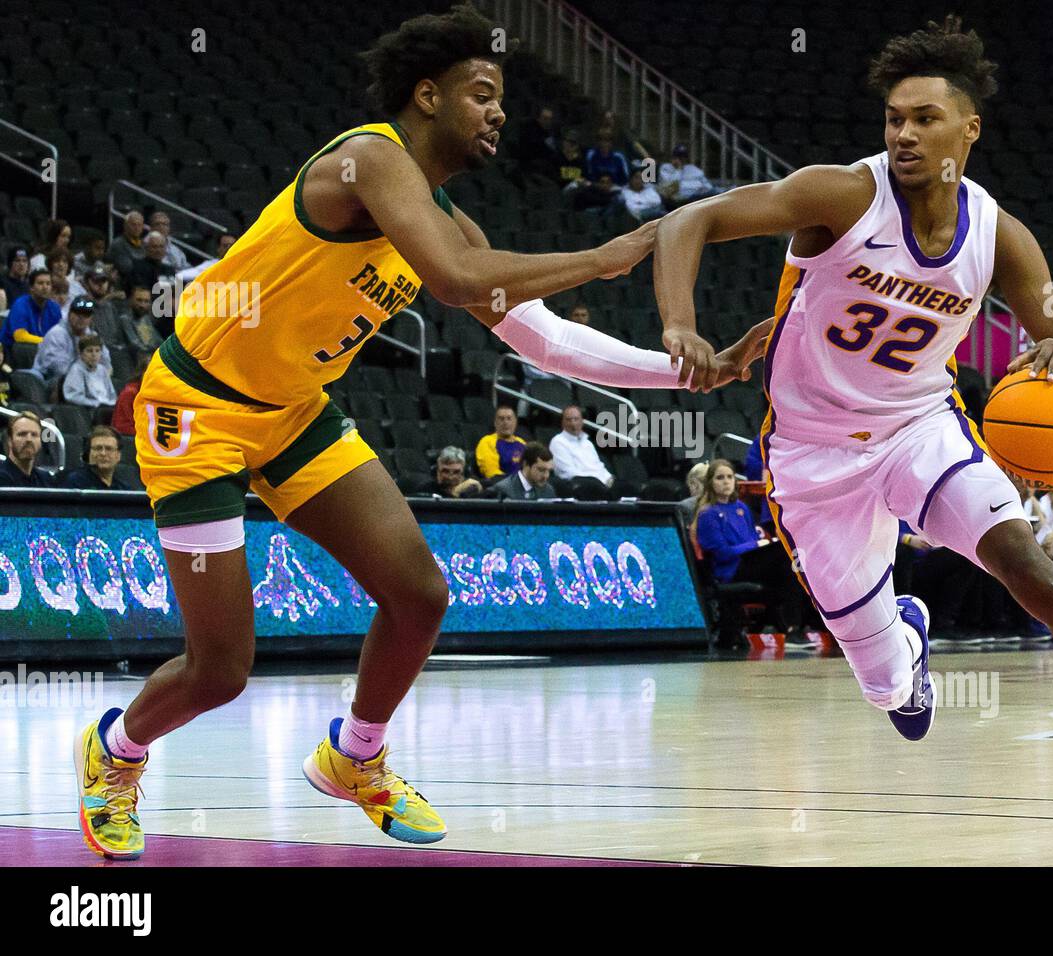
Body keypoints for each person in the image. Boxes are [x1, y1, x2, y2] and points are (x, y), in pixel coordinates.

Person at [72, 3, 756, 862]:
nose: (499, 110)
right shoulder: (368, 159)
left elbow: (539, 336)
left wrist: (689, 369)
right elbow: (460, 278)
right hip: (195, 413)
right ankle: (116, 752)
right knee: (221, 669)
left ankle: (354, 757)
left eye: (501, 95)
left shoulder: (437, 213)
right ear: (426, 95)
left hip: (292, 412)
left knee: (421, 594)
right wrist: (606, 257)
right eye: (482, 93)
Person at [649, 15, 1053, 860]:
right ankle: (900, 644)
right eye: (893, 119)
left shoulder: (998, 235)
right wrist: (681, 326)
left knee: (1037, 573)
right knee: (882, 689)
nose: (904, 133)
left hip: (920, 428)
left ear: (968, 129)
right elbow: (688, 222)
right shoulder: (840, 194)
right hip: (811, 457)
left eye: (924, 118)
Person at [692, 458, 818, 638]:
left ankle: (800, 625)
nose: (726, 482)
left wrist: (756, 544)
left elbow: (752, 537)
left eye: (730, 477)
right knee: (784, 557)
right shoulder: (708, 514)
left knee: (792, 565)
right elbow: (722, 554)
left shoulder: (742, 508)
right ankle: (793, 627)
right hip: (731, 569)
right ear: (710, 483)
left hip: (750, 561)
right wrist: (754, 545)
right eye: (720, 478)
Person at [548, 403, 635, 500]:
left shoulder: (587, 443)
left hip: (601, 483)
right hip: (581, 484)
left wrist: (609, 479)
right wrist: (600, 481)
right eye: (569, 420)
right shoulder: (558, 441)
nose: (573, 423)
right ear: (562, 423)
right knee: (594, 487)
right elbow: (568, 472)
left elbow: (599, 467)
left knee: (627, 487)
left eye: (576, 419)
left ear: (582, 421)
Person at [33, 296, 114, 385]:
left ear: (91, 319)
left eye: (86, 315)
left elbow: (106, 364)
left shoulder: (93, 336)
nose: (81, 318)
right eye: (77, 314)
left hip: (85, 382)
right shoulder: (56, 334)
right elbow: (58, 369)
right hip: (50, 381)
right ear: (69, 314)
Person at [1, 269, 62, 350]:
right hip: (11, 351)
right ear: (31, 288)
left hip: (41, 349)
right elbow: (20, 336)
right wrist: (46, 342)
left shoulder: (54, 308)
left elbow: (59, 334)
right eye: (40, 283)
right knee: (24, 347)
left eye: (48, 284)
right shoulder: (21, 304)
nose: (45, 287)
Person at [62, 335, 117, 421]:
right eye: (89, 351)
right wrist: (95, 403)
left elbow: (112, 394)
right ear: (81, 353)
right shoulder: (76, 370)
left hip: (106, 408)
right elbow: (72, 396)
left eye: (97, 351)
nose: (94, 355)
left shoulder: (102, 370)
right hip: (89, 412)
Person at [62, 426, 131, 489]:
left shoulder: (124, 488)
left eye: (109, 449)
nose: (103, 453)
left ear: (118, 456)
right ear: (89, 453)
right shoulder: (75, 482)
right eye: (98, 448)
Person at [0, 411, 56, 487]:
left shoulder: (45, 479)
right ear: (9, 440)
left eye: (34, 435)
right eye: (22, 434)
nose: (29, 439)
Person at [485, 441, 556, 499]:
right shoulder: (503, 490)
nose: (546, 476)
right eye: (541, 470)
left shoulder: (548, 491)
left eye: (549, 471)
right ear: (526, 464)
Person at [657, 144, 722, 207]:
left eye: (682, 157)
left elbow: (707, 185)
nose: (680, 160)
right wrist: (678, 169)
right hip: (684, 199)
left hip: (700, 195)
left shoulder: (693, 168)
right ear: (672, 157)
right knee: (716, 192)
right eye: (677, 157)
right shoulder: (665, 168)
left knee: (718, 191)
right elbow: (672, 185)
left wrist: (705, 189)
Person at [475, 403, 527, 481]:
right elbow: (492, 474)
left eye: (509, 418)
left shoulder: (522, 443)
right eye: (501, 419)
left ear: (515, 422)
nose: (505, 422)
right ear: (495, 423)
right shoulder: (487, 442)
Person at [112, 353, 150, 437]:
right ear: (141, 373)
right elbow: (122, 426)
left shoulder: (158, 394)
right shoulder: (129, 393)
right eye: (149, 372)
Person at [108, 210, 147, 278]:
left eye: (139, 225)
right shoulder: (118, 244)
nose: (137, 228)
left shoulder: (144, 244)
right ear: (125, 226)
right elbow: (127, 268)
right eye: (133, 224)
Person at [677, 460, 709, 525]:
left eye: (689, 485)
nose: (689, 489)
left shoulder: (685, 506)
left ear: (694, 484)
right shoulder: (726, 503)